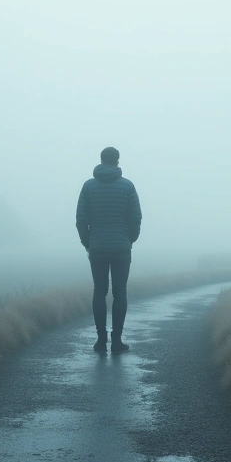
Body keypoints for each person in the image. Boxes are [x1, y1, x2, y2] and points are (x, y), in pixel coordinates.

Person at [76, 146, 142, 353]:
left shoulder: (88, 186)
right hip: (121, 246)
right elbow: (136, 217)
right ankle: (117, 341)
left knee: (100, 291)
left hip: (97, 247)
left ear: (101, 160)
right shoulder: (127, 186)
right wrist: (130, 239)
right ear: (117, 162)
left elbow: (80, 219)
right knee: (120, 292)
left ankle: (100, 340)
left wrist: (88, 242)